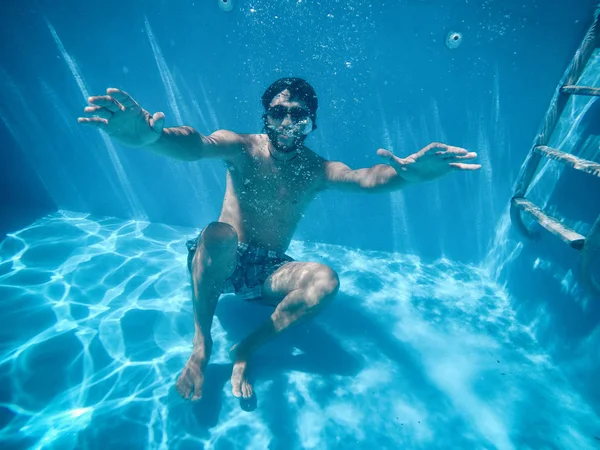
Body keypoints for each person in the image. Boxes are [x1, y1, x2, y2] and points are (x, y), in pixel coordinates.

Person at [78, 77, 480, 403]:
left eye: (298, 115)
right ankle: (202, 345)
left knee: (326, 280)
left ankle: (246, 349)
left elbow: (365, 179)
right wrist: (154, 139)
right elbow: (197, 144)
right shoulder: (241, 147)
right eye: (278, 113)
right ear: (266, 118)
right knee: (218, 234)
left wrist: (410, 174)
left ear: (312, 122)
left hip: (268, 270)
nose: (288, 123)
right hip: (220, 258)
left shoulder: (317, 169)